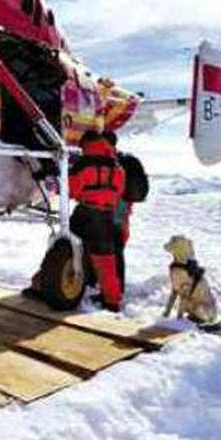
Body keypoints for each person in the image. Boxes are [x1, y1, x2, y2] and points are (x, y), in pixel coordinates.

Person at [68, 130, 126, 311]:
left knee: (66, 248)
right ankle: (113, 301)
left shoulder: (82, 164)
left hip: (85, 212)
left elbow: (72, 190)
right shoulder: (116, 166)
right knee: (106, 259)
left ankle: (52, 285)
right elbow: (119, 192)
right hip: (106, 214)